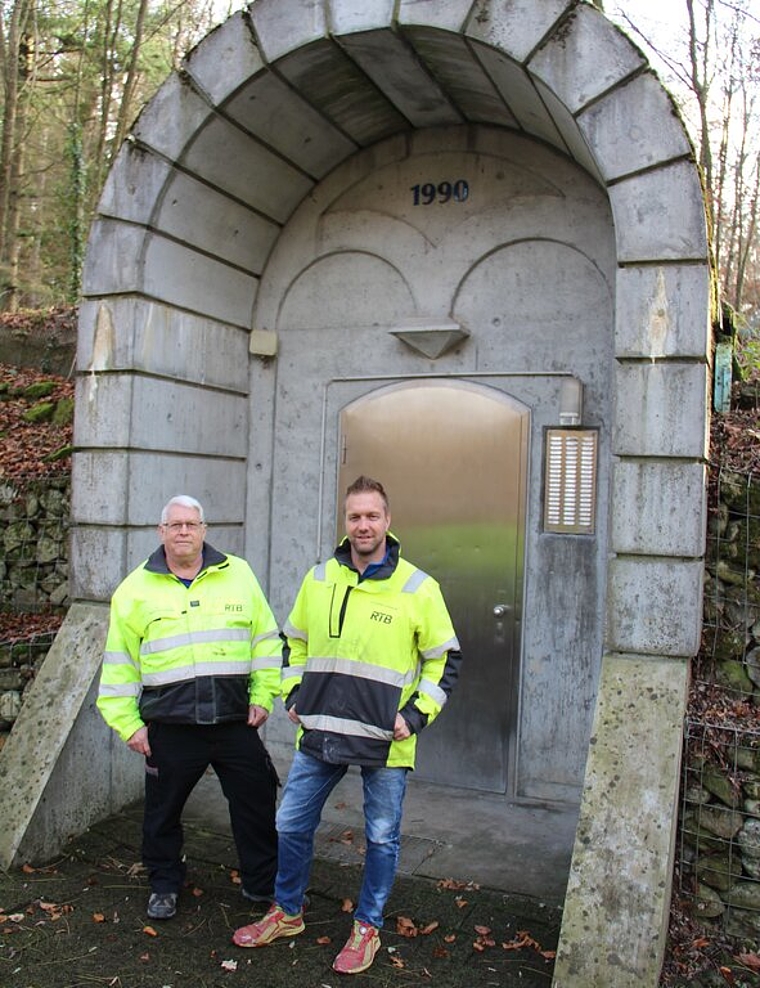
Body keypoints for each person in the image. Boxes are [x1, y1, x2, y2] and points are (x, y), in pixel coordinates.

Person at [232, 475, 462, 975]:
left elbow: (445, 661)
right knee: (290, 823)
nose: (363, 524)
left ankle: (367, 927)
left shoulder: (418, 588)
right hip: (320, 731)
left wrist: (414, 716)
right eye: (354, 516)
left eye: (371, 516)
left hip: (385, 740)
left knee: (381, 838)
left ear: (388, 521)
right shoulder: (319, 579)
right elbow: (292, 642)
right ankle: (287, 912)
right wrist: (293, 693)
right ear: (346, 521)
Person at [97, 494, 282, 922]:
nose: (183, 531)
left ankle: (261, 883)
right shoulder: (134, 590)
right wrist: (128, 724)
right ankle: (164, 883)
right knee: (162, 813)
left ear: (204, 530)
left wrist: (262, 694)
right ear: (161, 532)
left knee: (255, 803)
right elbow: (120, 664)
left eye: (191, 524)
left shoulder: (239, 574)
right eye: (175, 525)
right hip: (171, 727)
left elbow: (266, 641)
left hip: (235, 721)